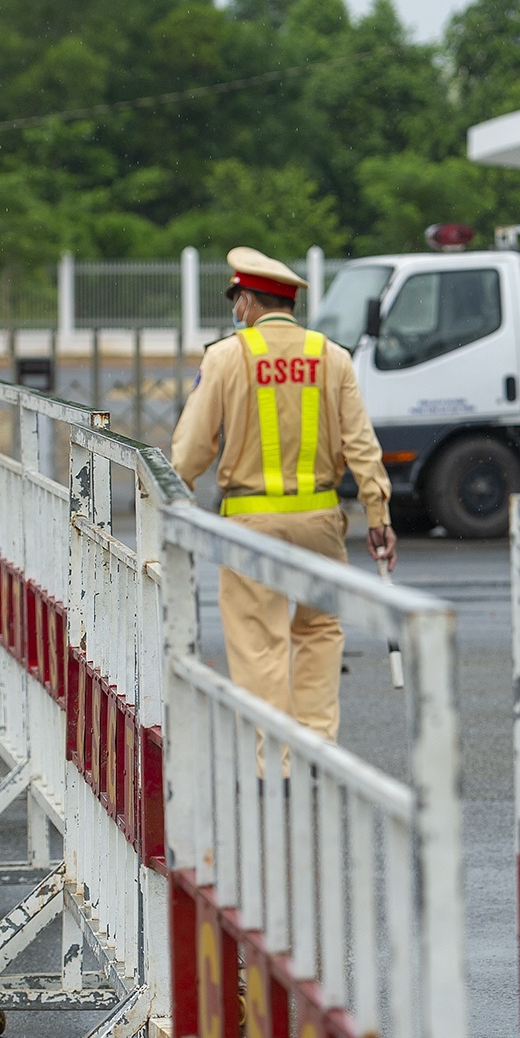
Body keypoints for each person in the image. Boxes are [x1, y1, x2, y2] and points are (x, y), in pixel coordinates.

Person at [171, 247, 395, 744]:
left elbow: (190, 450)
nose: (236, 311)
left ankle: (274, 758)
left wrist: (174, 495)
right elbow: (362, 445)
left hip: (251, 524)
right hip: (320, 521)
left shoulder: (226, 355)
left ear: (248, 302)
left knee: (259, 641)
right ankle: (317, 746)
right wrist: (378, 515)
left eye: (236, 301)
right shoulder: (331, 356)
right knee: (319, 633)